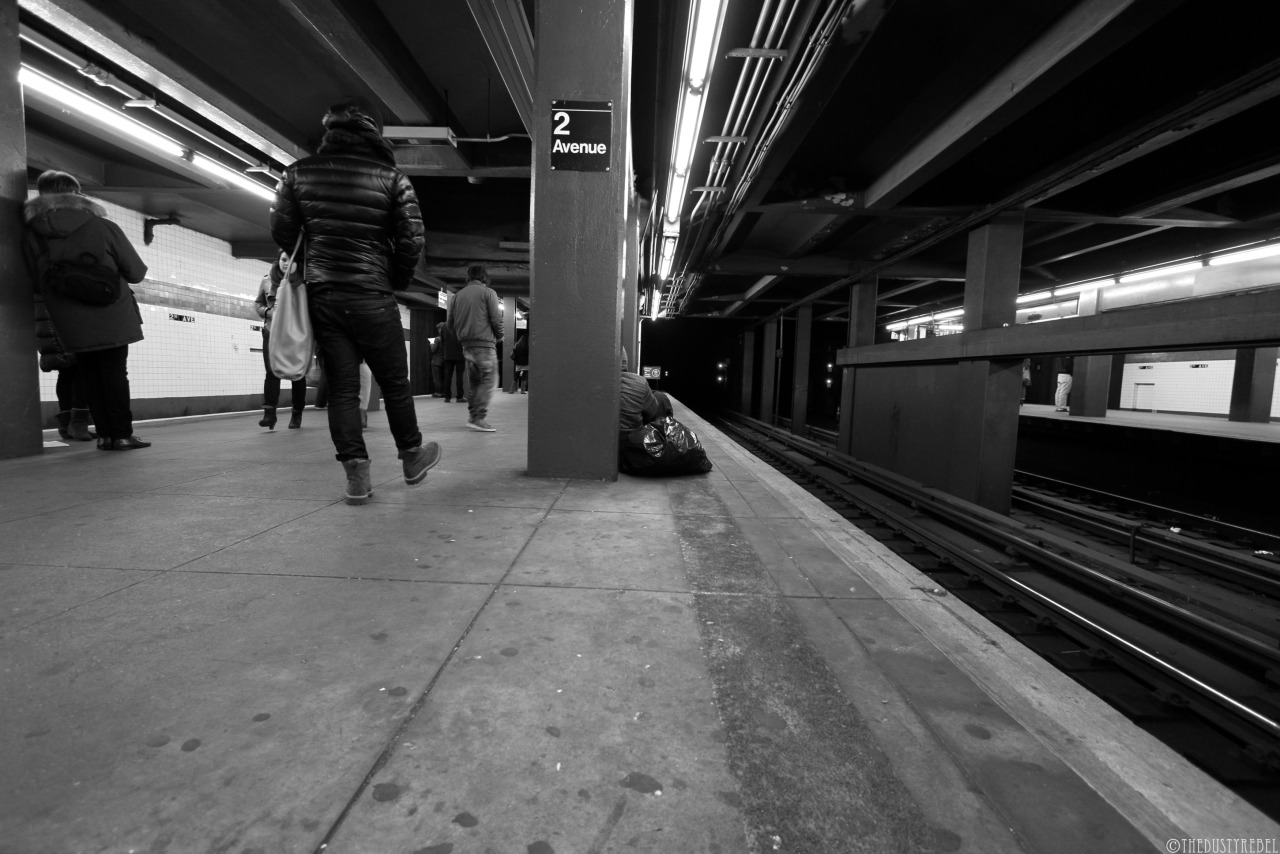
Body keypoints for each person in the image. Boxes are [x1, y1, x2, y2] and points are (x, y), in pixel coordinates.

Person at [270, 97, 440, 504]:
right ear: (373, 133)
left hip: (324, 295)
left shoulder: (297, 174)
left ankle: (357, 476)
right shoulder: (392, 178)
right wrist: (391, 281)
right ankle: (411, 456)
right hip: (372, 293)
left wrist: (318, 254)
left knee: (343, 388)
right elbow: (411, 241)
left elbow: (282, 230)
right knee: (395, 383)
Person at [22, 170, 151, 451]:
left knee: (90, 374)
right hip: (111, 312)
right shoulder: (102, 226)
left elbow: (35, 279)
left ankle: (105, 436)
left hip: (69, 317)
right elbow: (136, 271)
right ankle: (121, 435)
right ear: (76, 194)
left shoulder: (33, 234)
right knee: (115, 373)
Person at [33, 284, 94, 441]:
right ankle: (78, 423)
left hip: (50, 320)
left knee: (67, 372)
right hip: (63, 319)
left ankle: (67, 425)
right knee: (81, 371)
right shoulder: (55, 267)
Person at [254, 252, 307, 430]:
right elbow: (258, 303)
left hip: (295, 336)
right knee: (271, 373)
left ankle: (296, 414)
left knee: (297, 374)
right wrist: (268, 313)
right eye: (284, 260)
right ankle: (269, 415)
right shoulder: (267, 280)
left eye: (291, 261)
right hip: (271, 332)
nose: (287, 263)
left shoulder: (303, 283)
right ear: (279, 261)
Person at [447, 264, 502, 431]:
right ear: (484, 277)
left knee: (475, 382)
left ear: (469, 277)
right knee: (490, 380)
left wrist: (461, 337)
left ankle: (473, 416)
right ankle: (478, 418)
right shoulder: (488, 293)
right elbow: (495, 319)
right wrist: (499, 335)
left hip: (467, 345)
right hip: (484, 344)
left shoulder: (457, 296)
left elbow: (450, 324)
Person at [439, 312, 466, 403]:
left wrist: (446, 349)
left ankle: (447, 397)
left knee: (447, 376)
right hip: (460, 354)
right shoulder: (461, 325)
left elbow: (442, 340)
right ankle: (459, 397)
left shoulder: (444, 326)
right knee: (459, 376)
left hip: (448, 355)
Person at [511, 328, 529, 394]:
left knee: (516, 376)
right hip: (526, 363)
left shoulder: (517, 345)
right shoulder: (527, 346)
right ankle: (522, 391)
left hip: (518, 363)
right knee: (524, 377)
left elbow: (514, 352)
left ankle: (512, 390)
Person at [430, 322, 446, 397]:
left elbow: (433, 350)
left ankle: (438, 393)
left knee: (437, 378)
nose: (438, 330)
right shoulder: (447, 339)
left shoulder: (437, 339)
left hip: (436, 361)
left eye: (438, 329)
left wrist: (431, 344)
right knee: (443, 377)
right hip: (445, 361)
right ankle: (443, 392)